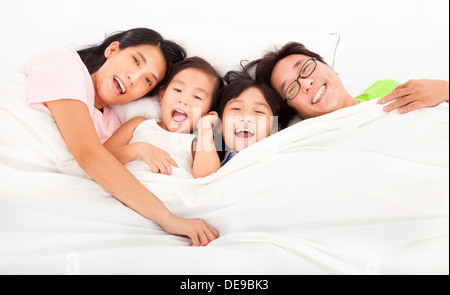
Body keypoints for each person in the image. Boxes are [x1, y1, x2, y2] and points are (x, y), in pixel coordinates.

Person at [18, 28, 216, 246]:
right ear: (112, 50)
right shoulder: (65, 62)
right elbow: (89, 155)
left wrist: (211, 129)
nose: (134, 78)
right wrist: (167, 218)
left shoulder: (111, 125)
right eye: (136, 61)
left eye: (147, 81)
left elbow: (103, 164)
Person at [251, 42, 449, 121]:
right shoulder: (304, 139)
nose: (305, 83)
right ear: (297, 113)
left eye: (305, 69)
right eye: (292, 88)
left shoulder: (387, 89)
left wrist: (445, 90)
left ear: (331, 69)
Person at [104, 57, 223, 181]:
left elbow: (208, 175)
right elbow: (101, 155)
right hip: (127, 188)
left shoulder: (196, 143)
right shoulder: (139, 124)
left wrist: (205, 126)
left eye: (197, 97)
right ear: (161, 95)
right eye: (178, 90)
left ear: (207, 112)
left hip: (169, 197)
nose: (183, 100)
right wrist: (138, 149)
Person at [197, 69, 292, 170]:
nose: (246, 117)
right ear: (220, 125)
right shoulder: (216, 165)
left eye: (259, 112)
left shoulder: (281, 161)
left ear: (275, 129)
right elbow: (204, 174)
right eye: (236, 108)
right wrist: (205, 126)